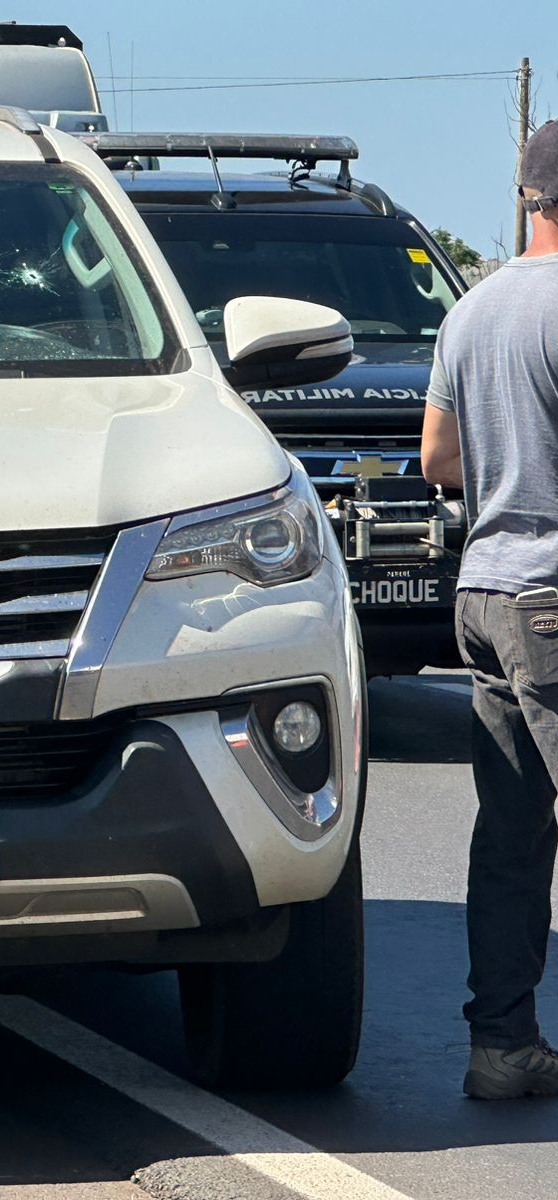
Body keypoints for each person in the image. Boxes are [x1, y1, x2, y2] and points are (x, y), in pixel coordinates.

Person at [422, 119, 558, 1100]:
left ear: (525, 196)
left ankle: (501, 1049)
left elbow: (437, 461)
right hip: (553, 586)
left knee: (510, 832)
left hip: (482, 588)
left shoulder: (471, 309)